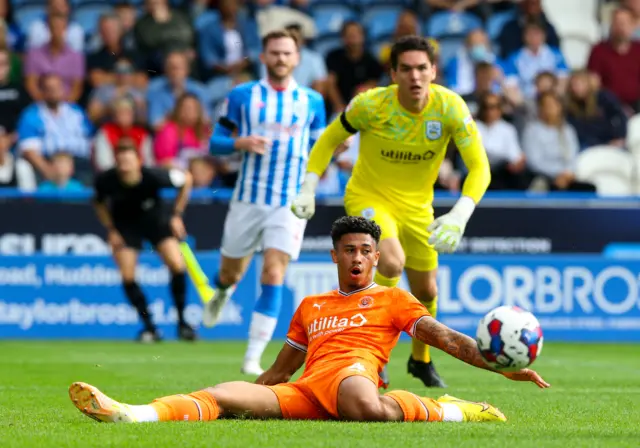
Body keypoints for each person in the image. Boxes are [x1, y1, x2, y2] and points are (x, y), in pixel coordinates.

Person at [68, 216, 549, 425]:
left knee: (362, 403)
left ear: (377, 257)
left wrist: (499, 366)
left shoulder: (393, 298)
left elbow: (447, 339)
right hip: (309, 392)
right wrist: (257, 392)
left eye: (366, 251)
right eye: (350, 251)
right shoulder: (310, 305)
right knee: (221, 395)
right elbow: (280, 372)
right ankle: (133, 413)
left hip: (354, 375)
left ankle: (453, 409)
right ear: (336, 255)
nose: (358, 258)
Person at [291, 35, 492, 389]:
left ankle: (420, 359)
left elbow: (479, 167)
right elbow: (326, 140)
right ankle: (370, 354)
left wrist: (460, 213)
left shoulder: (451, 108)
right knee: (391, 262)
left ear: (433, 71)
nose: (414, 77)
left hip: (417, 207)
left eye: (421, 68)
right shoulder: (370, 105)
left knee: (426, 288)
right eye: (406, 69)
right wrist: (308, 185)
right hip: (370, 196)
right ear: (393, 73)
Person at [205, 29, 327, 376]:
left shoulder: (311, 101)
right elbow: (215, 142)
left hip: (289, 203)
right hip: (247, 199)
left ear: (297, 58)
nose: (281, 59)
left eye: (287, 53)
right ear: (263, 57)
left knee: (274, 272)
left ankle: (252, 357)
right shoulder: (242, 95)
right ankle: (223, 290)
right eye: (274, 53)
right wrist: (239, 143)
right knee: (232, 271)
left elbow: (321, 145)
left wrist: (335, 152)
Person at [93, 137, 197, 342]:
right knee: (127, 275)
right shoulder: (105, 180)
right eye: (121, 162)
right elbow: (98, 203)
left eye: (129, 161)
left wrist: (176, 215)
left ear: (138, 162)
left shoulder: (154, 176)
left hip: (155, 222)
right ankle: (149, 327)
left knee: (177, 265)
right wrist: (111, 229)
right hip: (125, 226)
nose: (125, 166)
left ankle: (183, 324)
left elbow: (187, 179)